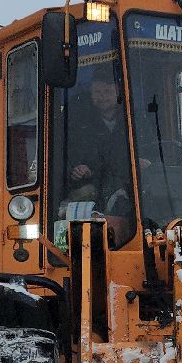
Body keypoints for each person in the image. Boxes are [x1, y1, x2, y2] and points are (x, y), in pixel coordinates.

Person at [66, 72, 137, 246]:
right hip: (94, 186)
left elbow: (149, 150)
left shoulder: (132, 119)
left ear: (118, 92)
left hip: (131, 182)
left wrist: (144, 161)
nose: (102, 97)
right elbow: (69, 157)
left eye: (107, 92)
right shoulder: (80, 124)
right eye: (97, 92)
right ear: (90, 94)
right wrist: (77, 169)